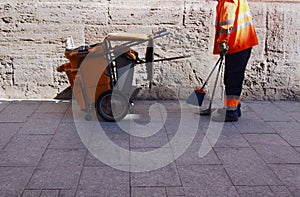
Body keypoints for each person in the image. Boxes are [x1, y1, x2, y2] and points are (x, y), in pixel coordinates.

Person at [211, 0, 258, 122]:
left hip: (237, 43)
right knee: (235, 75)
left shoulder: (228, 1)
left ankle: (231, 111)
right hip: (243, 42)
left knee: (232, 78)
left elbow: (226, 24)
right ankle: (235, 106)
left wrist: (222, 43)